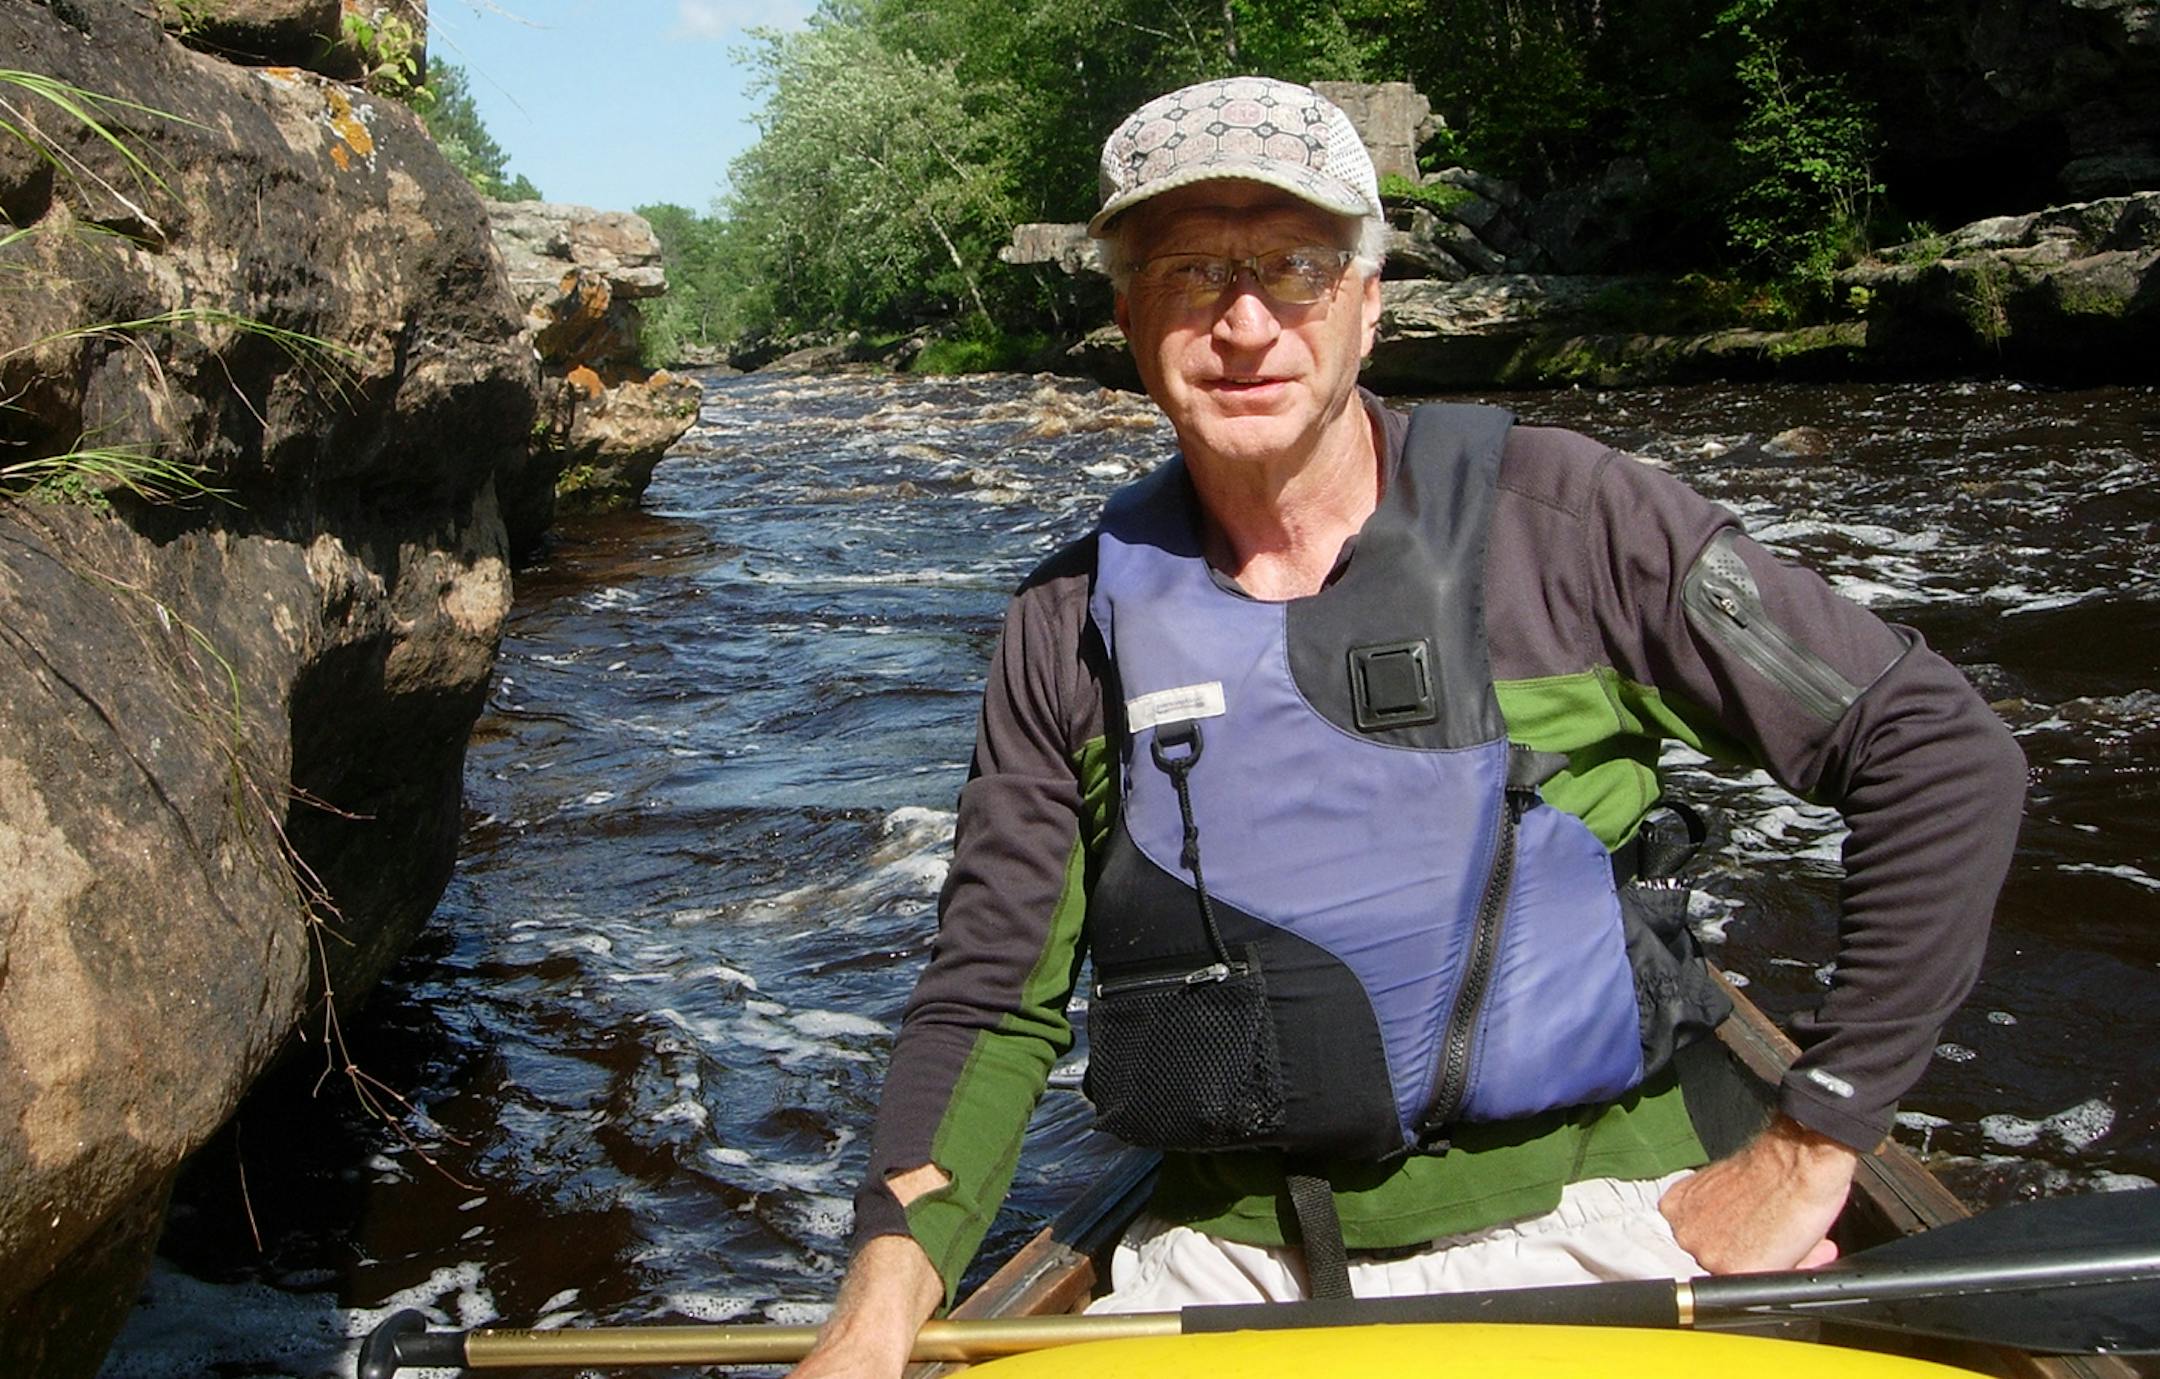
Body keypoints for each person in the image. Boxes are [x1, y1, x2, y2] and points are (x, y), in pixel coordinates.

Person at [788, 76, 2026, 1377]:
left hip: (1606, 1237)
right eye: (1194, 273)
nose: (1247, 323)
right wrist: (883, 1293)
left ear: (1369, 302)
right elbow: (992, 998)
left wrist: (1813, 1145)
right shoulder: (1065, 627)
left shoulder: (1578, 525)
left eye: (1295, 269)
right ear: (1128, 313)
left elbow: (1938, 755)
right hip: (1229, 1275)